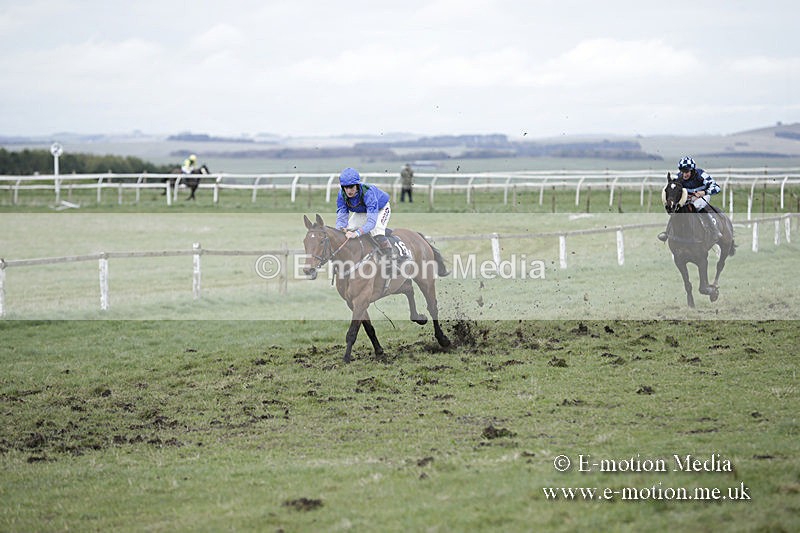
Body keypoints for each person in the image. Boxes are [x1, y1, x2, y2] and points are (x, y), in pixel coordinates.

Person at [335, 167, 398, 263]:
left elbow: (371, 222)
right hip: (362, 211)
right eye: (345, 187)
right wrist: (340, 228)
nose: (348, 191)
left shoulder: (368, 192)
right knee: (347, 229)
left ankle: (391, 262)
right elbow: (342, 216)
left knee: (376, 230)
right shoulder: (341, 195)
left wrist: (357, 233)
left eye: (351, 187)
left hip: (380, 208)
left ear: (357, 185)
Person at [658, 156, 722, 242]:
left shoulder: (701, 175)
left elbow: (717, 188)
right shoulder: (678, 177)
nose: (684, 174)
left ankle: (714, 230)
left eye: (687, 171)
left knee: (696, 205)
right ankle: (668, 232)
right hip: (688, 197)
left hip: (702, 196)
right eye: (682, 171)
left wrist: (704, 192)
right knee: (677, 208)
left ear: (692, 170)